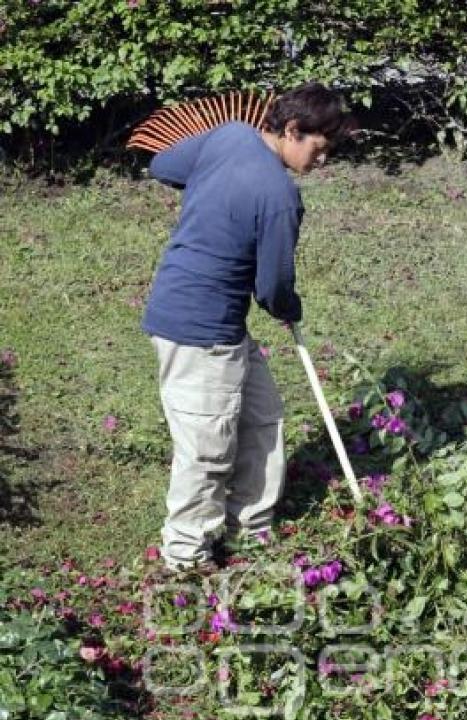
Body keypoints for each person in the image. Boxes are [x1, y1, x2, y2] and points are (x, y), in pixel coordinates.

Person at [142, 83, 356, 573]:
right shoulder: (279, 195)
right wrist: (290, 306)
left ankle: (251, 527)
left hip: (213, 319)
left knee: (262, 417)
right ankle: (186, 557)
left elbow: (163, 167)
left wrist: (213, 192)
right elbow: (273, 287)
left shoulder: (228, 136)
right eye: (319, 150)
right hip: (199, 329)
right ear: (292, 129)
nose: (322, 163)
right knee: (207, 447)